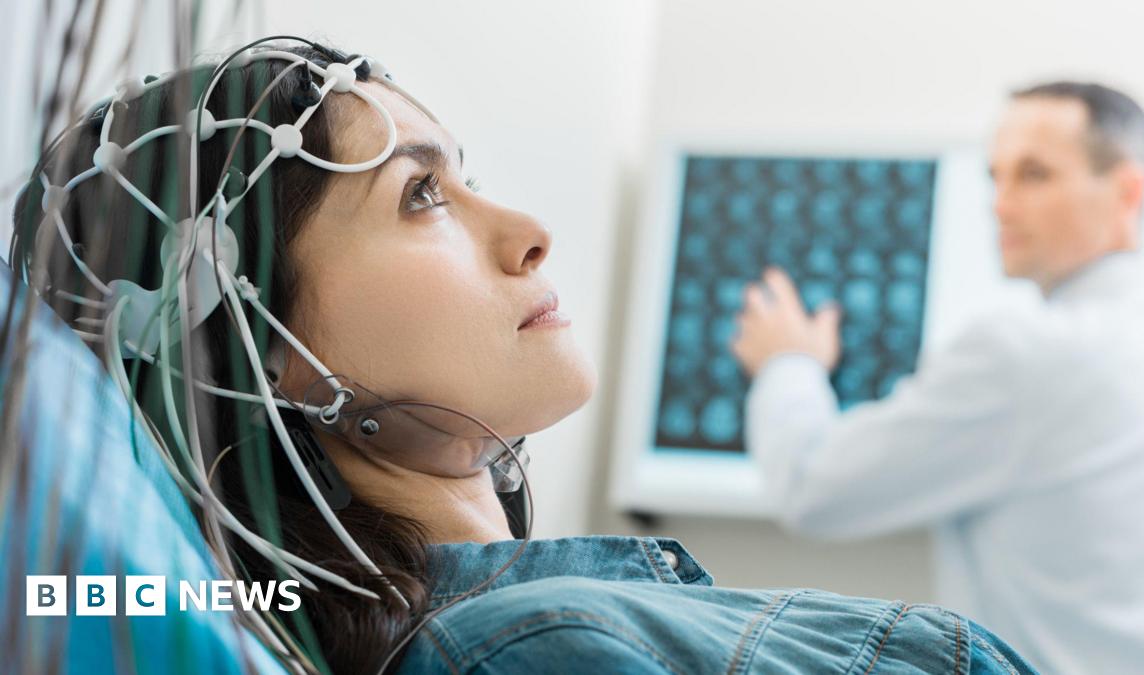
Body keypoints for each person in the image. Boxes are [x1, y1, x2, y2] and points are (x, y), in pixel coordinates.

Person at [10, 39, 1036, 674]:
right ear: (256, 354)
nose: (529, 230)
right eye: (421, 197)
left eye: (466, 179)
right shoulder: (528, 651)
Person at [731, 82, 1144, 674]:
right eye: (994, 176)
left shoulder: (1026, 354)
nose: (1000, 203)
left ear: (1127, 190)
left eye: (1034, 175)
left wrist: (786, 363)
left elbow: (811, 488)